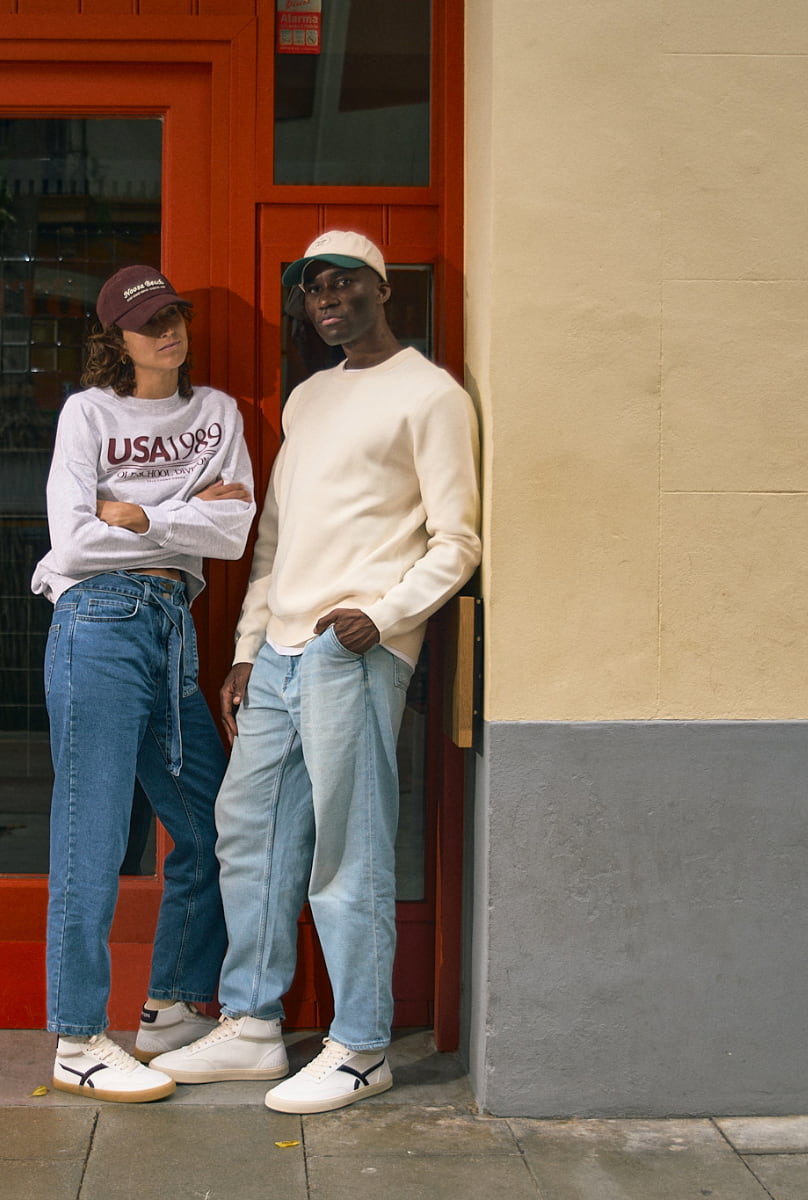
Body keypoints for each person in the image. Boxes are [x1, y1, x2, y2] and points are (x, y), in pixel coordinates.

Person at [152, 231, 481, 1113]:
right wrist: (247, 650)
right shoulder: (308, 399)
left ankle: (363, 1044)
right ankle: (255, 1026)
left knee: (351, 848)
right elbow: (275, 537)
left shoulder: (431, 395)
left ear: (383, 288)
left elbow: (458, 539)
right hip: (282, 652)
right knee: (248, 835)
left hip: (352, 650)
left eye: (343, 283)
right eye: (312, 289)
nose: (325, 298)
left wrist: (382, 617)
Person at [31, 265, 255, 1102]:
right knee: (90, 832)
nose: (168, 331)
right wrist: (175, 518)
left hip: (172, 629)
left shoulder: (217, 413)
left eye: (175, 316)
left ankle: (166, 1006)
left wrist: (142, 515)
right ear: (115, 338)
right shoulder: (88, 413)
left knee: (210, 820)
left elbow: (232, 534)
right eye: (149, 320)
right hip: (99, 620)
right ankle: (79, 1039)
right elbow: (75, 542)